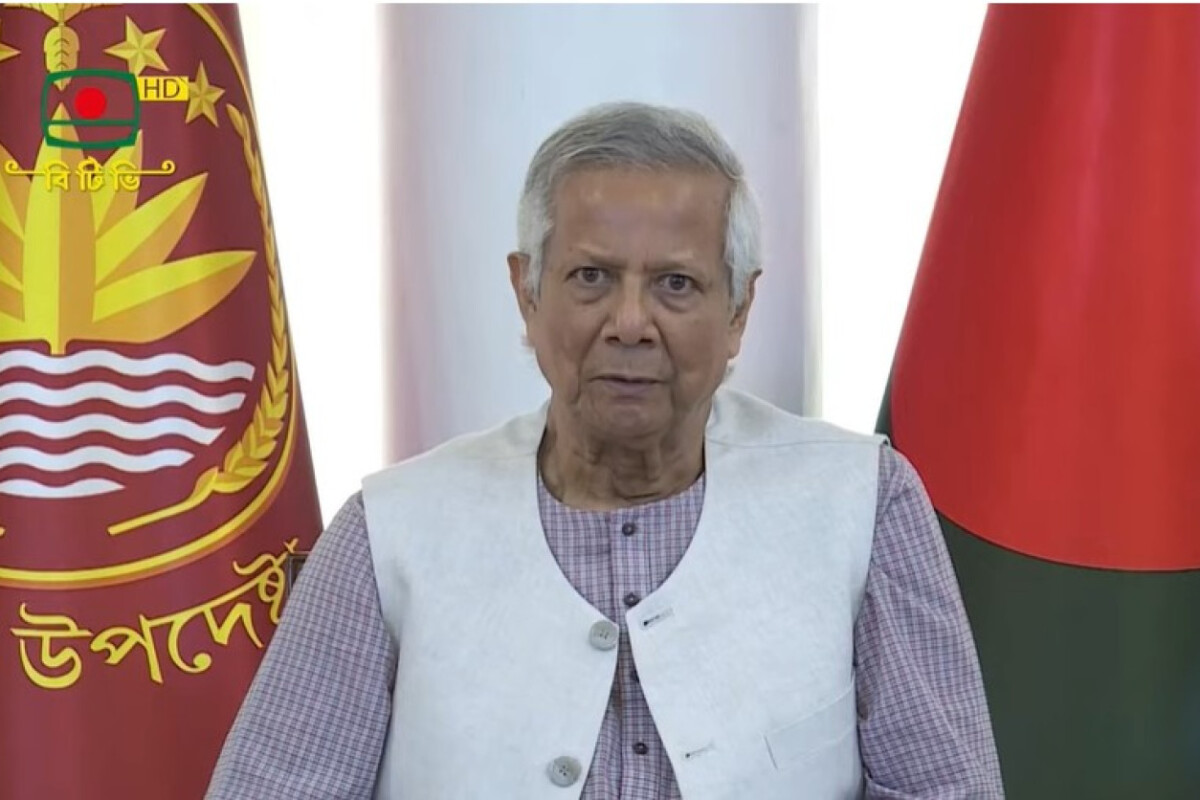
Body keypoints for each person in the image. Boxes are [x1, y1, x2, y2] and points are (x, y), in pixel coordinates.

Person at [205, 101, 1004, 799]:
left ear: (739, 311)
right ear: (527, 292)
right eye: (591, 277)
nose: (629, 322)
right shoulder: (391, 532)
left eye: (676, 285)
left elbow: (946, 788)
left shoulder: (862, 503)